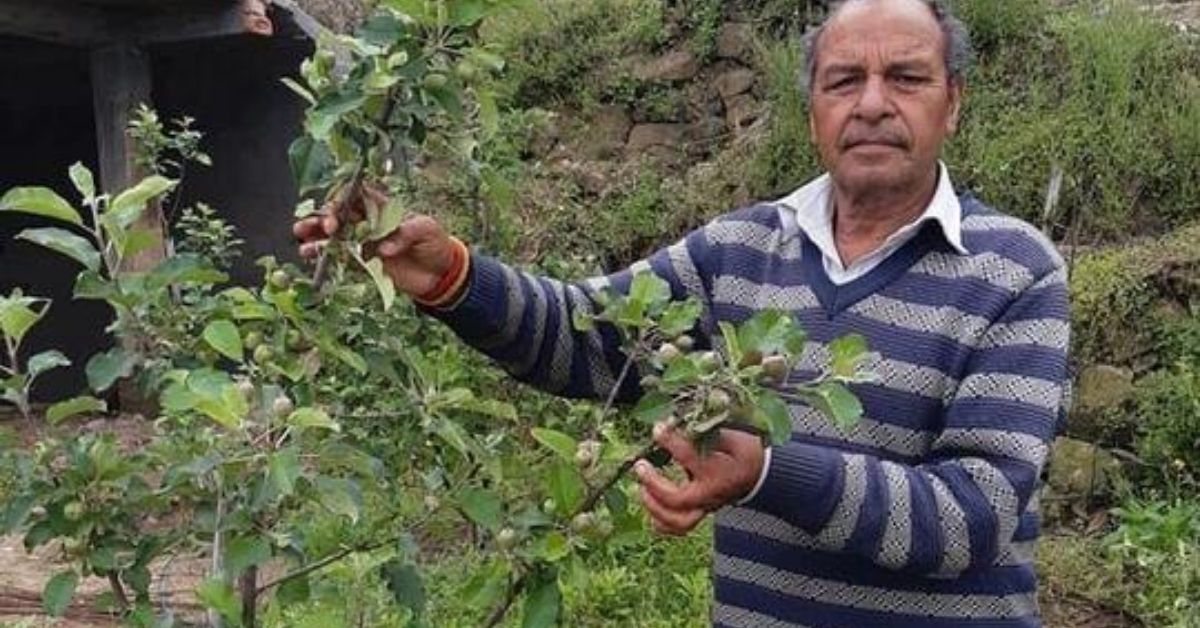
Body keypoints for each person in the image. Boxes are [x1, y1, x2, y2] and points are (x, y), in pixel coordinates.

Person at [294, 1, 1070, 625]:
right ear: (811, 114)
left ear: (953, 104)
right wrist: (452, 276)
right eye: (842, 82)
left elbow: (974, 516)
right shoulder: (741, 248)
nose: (871, 103)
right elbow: (593, 340)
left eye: (905, 78)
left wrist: (765, 473)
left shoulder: (1013, 271)